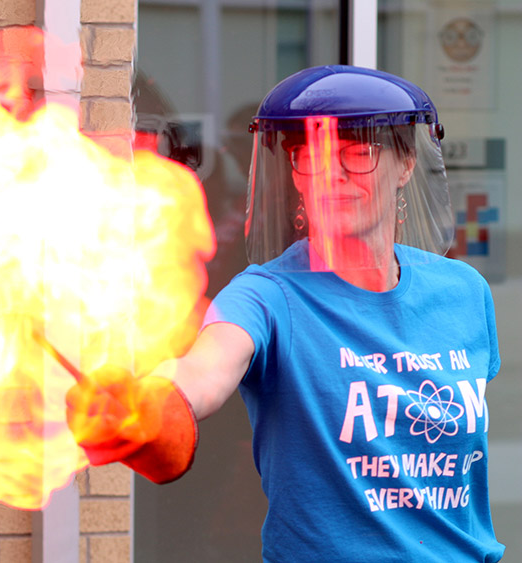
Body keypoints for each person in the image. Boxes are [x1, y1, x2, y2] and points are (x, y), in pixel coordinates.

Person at [65, 65, 504, 562]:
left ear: (406, 164)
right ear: (295, 173)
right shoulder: (267, 296)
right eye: (312, 157)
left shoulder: (464, 291)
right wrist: (152, 401)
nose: (333, 174)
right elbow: (204, 371)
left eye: (359, 153)